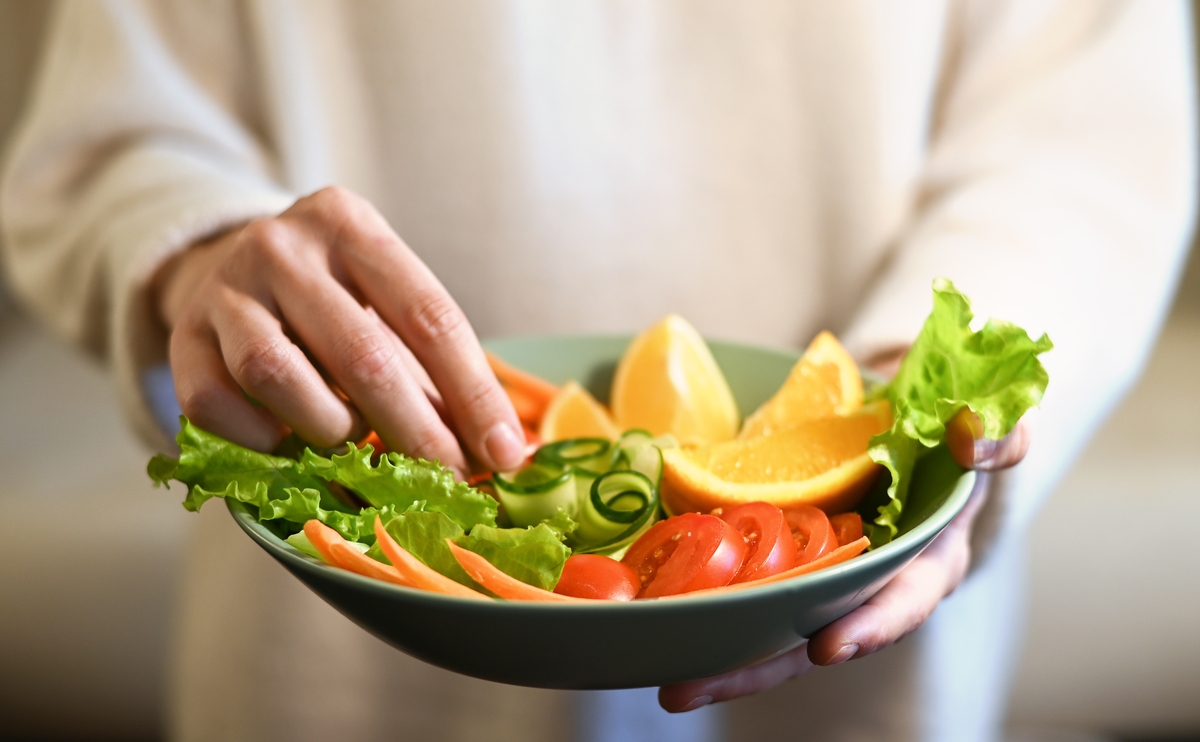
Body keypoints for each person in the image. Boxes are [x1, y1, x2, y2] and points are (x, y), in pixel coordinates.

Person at [1, 2, 1193, 741]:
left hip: (839, 656)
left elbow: (1080, 132)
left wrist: (905, 408)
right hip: (346, 648)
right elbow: (114, 131)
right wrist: (203, 250)